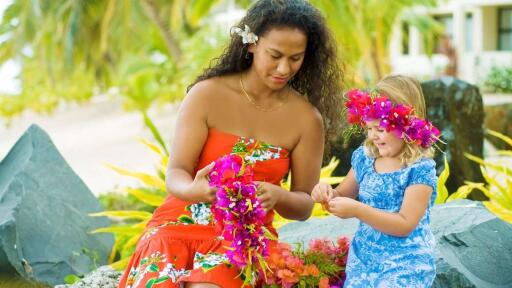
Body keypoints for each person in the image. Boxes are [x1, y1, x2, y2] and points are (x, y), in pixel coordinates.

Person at [118, 0, 343, 287]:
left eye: (296, 58)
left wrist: (278, 195)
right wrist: (192, 189)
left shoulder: (307, 120)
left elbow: (303, 206)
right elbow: (176, 172)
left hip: (243, 240)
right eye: (274, 55)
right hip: (175, 228)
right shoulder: (206, 95)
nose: (284, 68)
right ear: (251, 44)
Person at [312, 75, 440, 287]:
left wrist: (358, 210)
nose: (373, 136)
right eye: (369, 128)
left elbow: (405, 224)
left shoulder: (419, 169)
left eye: (380, 129)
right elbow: (343, 195)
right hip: (365, 258)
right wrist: (326, 194)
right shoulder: (366, 157)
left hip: (405, 263)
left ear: (407, 126)